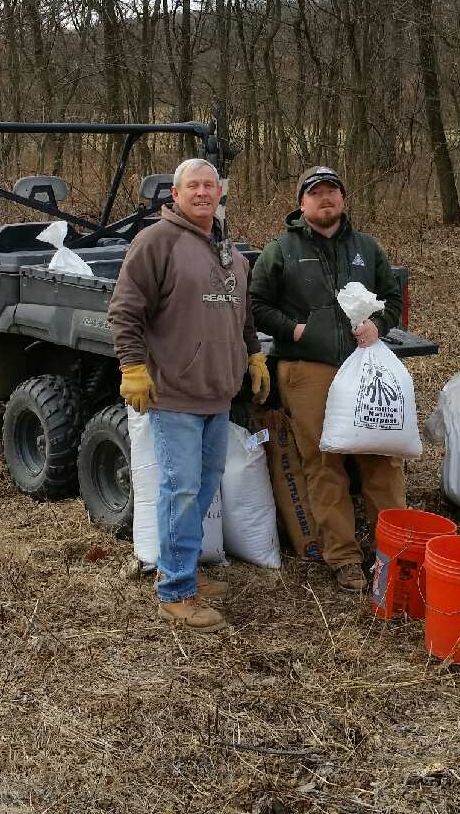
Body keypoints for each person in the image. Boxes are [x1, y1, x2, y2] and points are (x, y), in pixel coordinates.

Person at [109, 158, 270, 631]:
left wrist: (254, 355)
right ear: (175, 195)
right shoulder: (156, 242)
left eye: (209, 185)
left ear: (220, 193)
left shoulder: (228, 250)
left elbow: (243, 315)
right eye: (192, 185)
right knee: (179, 491)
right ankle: (176, 593)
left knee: (200, 489)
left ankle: (182, 569)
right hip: (176, 394)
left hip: (218, 394)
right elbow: (124, 310)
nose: (202, 192)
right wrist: (132, 367)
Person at [250, 165, 403, 592]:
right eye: (315, 192)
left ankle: (395, 552)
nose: (325, 198)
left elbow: (392, 299)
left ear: (343, 199)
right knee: (324, 461)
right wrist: (295, 330)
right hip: (307, 368)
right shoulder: (281, 250)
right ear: (302, 204)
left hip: (365, 365)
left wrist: (379, 325)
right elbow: (256, 304)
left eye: (332, 191)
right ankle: (344, 558)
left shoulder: (367, 249)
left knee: (381, 457)